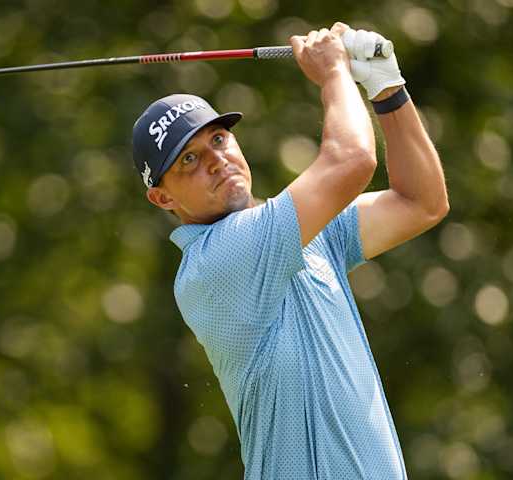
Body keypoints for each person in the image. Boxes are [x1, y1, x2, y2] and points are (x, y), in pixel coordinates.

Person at [131, 22, 448, 480]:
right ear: (163, 199)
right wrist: (335, 73)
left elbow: (422, 202)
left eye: (218, 140)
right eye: (189, 160)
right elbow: (351, 161)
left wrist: (386, 87)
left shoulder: (304, 231)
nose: (216, 159)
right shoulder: (213, 264)